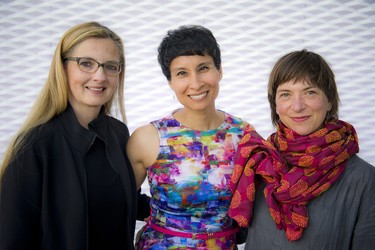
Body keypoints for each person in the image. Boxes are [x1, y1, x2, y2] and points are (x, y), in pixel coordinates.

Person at [0, 21, 144, 250]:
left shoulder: (118, 133)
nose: (100, 76)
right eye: (86, 64)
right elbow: (13, 239)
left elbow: (122, 201)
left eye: (110, 66)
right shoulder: (33, 145)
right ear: (62, 67)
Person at [228, 49, 375, 249]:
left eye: (310, 92)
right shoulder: (258, 162)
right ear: (276, 105)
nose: (297, 106)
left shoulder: (364, 179)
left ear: (329, 100)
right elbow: (234, 232)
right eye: (286, 94)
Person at [127, 25, 251, 249]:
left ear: (219, 70)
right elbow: (120, 204)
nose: (195, 83)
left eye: (203, 68)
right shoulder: (147, 138)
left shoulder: (245, 136)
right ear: (170, 81)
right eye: (182, 73)